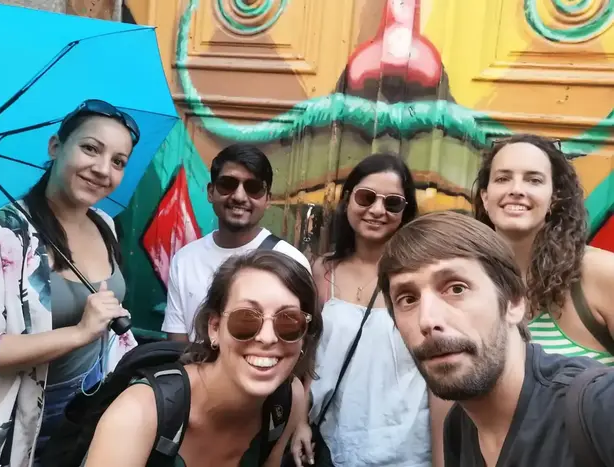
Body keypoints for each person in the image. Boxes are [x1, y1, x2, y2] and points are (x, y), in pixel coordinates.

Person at [378, 211, 614, 466]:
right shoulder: (458, 427)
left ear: (514, 302)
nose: (427, 320)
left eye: (456, 288)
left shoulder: (597, 405)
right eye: (408, 299)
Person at [0, 99, 138, 466]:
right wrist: (79, 332)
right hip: (17, 418)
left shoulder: (105, 224)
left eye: (118, 161)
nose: (102, 169)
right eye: (90, 148)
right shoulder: (3, 234)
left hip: (88, 414)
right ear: (55, 146)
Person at [84, 250, 323, 466]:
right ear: (214, 328)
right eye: (246, 319)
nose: (267, 337)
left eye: (289, 322)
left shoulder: (287, 400)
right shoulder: (138, 414)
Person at [290, 153, 446, 467]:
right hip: (331, 445)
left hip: (406, 450)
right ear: (348, 200)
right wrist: (299, 422)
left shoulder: (421, 277)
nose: (377, 210)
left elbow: (439, 373)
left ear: (405, 212)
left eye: (392, 203)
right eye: (366, 197)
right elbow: (306, 356)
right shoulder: (322, 272)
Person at [473, 134, 614, 364]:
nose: (516, 189)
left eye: (534, 180)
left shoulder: (602, 273)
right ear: (485, 197)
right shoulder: (466, 280)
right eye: (503, 178)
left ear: (554, 198)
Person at [162, 143, 311, 342]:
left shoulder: (291, 260)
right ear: (210, 192)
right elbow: (177, 347)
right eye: (227, 184)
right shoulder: (184, 260)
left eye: (253, 188)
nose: (239, 196)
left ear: (267, 199)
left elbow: (298, 342)